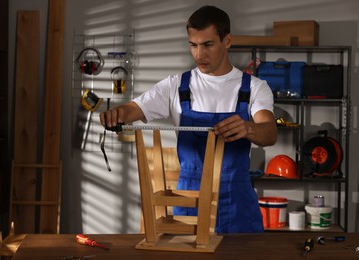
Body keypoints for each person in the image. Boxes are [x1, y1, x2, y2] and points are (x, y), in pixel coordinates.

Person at [100, 5, 277, 233]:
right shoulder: (176, 86)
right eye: (193, 45)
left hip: (237, 202)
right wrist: (118, 114)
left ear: (228, 41)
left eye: (208, 45)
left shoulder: (254, 87)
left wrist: (249, 128)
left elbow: (269, 132)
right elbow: (134, 109)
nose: (199, 54)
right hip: (189, 201)